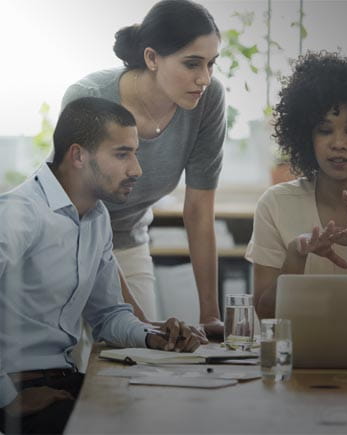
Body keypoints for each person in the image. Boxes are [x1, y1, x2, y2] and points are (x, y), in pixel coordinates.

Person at [0, 97, 200, 435]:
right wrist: (5, 401)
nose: (136, 169)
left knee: (177, 410)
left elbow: (108, 316)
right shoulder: (18, 214)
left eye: (134, 153)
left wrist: (154, 337)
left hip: (68, 381)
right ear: (78, 155)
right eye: (122, 154)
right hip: (21, 387)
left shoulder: (96, 217)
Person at [61, 0, 226, 337]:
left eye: (211, 64)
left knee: (139, 366)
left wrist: (211, 316)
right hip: (71, 243)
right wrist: (135, 321)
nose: (204, 78)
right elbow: (80, 214)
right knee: (80, 370)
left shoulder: (207, 101)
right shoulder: (89, 99)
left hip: (129, 242)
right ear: (152, 58)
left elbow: (198, 210)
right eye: (192, 64)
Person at [246, 51, 347, 319]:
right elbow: (264, 314)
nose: (338, 143)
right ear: (307, 135)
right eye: (325, 129)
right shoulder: (276, 204)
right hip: (300, 359)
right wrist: (295, 257)